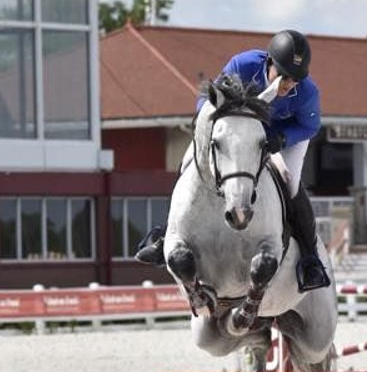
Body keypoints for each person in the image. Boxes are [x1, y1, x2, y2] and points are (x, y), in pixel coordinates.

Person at [135, 29, 330, 292]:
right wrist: (210, 126)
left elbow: (310, 126)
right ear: (269, 63)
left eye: (294, 79)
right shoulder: (243, 65)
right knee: (188, 165)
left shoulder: (307, 92)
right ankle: (165, 237)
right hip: (238, 134)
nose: (288, 84)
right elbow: (209, 99)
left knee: (289, 182)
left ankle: (310, 259)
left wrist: (282, 138)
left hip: (282, 137)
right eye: (283, 76)